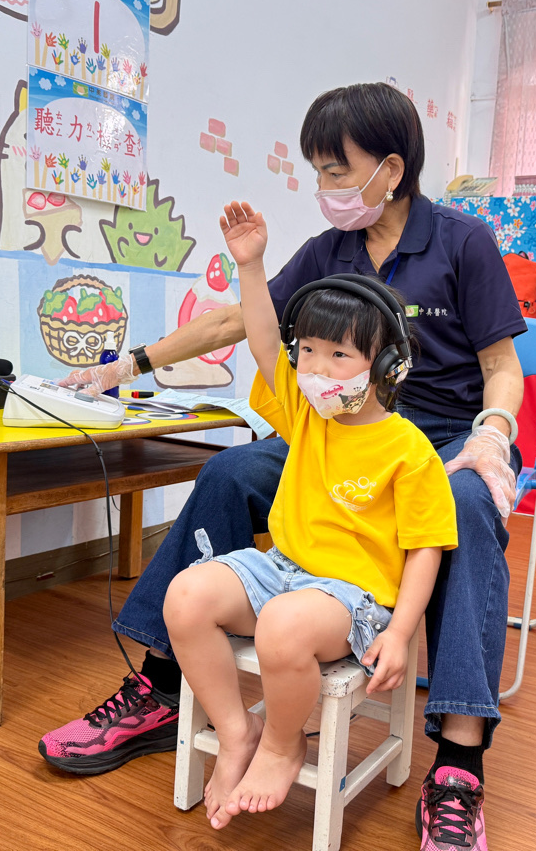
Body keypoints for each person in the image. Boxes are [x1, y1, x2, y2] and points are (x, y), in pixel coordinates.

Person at [39, 82, 525, 851]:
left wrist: (493, 433)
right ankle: (164, 686)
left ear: (391, 169)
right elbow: (243, 321)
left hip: (441, 438)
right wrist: (126, 365)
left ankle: (460, 764)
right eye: (319, 171)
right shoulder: (330, 251)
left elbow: (502, 365)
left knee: (463, 504)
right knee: (231, 473)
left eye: (338, 171)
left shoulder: (463, 243)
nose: (325, 187)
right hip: (332, 430)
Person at [166, 210, 458, 829]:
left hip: (353, 597)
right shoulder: (306, 413)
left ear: (388, 367)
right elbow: (262, 341)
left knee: (282, 627)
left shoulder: (410, 451)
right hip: (282, 571)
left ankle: (281, 744)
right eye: (308, 352)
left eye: (339, 354)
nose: (317, 369)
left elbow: (427, 548)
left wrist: (401, 633)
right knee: (185, 596)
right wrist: (250, 265)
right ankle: (238, 732)